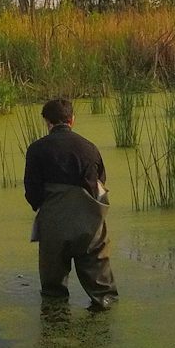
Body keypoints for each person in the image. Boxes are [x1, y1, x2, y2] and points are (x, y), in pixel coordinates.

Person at [23, 97, 119, 310]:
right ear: (72, 120)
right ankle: (102, 326)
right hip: (90, 225)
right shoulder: (90, 148)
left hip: (54, 225)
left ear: (47, 122)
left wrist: (46, 207)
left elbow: (32, 192)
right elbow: (100, 183)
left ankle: (57, 329)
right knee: (104, 295)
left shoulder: (37, 150)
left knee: (53, 293)